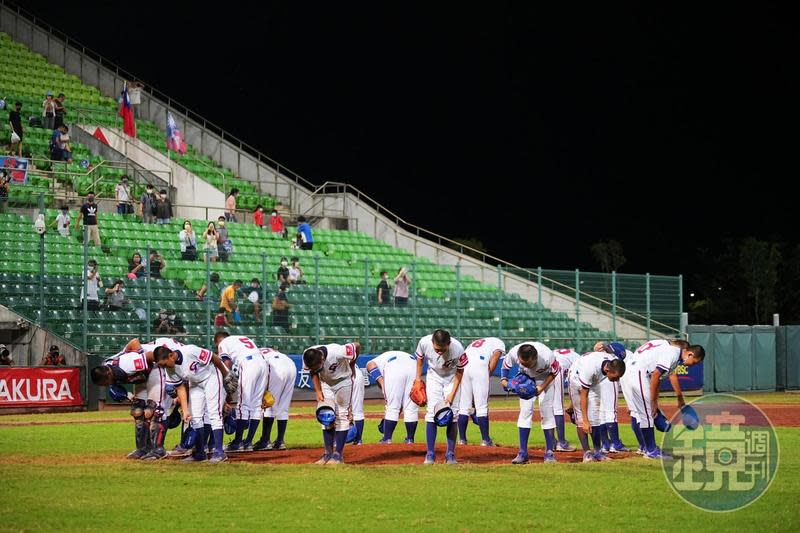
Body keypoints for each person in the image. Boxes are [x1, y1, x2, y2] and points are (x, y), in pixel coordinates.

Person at [619, 339, 705, 459]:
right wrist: (653, 402)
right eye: (694, 362)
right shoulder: (673, 353)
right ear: (690, 354)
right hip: (638, 372)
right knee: (648, 413)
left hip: (630, 371)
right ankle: (651, 450)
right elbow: (655, 376)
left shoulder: (666, 348)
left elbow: (657, 378)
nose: (692, 365)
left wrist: (656, 400)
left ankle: (646, 447)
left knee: (640, 413)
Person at [154, 343, 231, 464]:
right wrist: (185, 410)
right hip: (195, 383)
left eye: (164, 364)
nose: (164, 367)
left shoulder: (189, 351)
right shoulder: (169, 368)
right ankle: (200, 453)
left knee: (214, 413)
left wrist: (226, 375)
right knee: (195, 418)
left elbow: (213, 357)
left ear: (170, 355)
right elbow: (180, 388)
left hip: (211, 377)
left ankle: (219, 452)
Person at [302, 341, 362, 464]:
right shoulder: (308, 355)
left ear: (322, 358)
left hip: (343, 381)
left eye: (317, 366)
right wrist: (318, 391)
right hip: (326, 383)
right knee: (326, 415)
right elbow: (313, 372)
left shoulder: (338, 351)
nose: (314, 368)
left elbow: (356, 345)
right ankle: (327, 453)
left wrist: (352, 365)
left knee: (341, 415)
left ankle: (338, 454)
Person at [501, 341, 560, 464]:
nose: (525, 365)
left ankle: (549, 452)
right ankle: (523, 453)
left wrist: (542, 387)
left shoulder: (547, 356)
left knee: (547, 411)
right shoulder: (514, 352)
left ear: (535, 358)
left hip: (545, 377)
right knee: (525, 412)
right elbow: (505, 366)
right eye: (523, 363)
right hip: (525, 377)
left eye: (528, 363)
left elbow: (555, 371)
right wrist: (504, 381)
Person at [414, 330, 466, 465]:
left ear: (449, 343)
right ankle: (430, 454)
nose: (439, 352)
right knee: (431, 413)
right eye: (437, 349)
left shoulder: (458, 348)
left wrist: (452, 394)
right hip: (434, 377)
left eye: (443, 349)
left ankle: (450, 454)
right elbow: (420, 359)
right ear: (432, 342)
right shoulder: (424, 342)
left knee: (453, 414)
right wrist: (418, 379)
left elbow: (460, 371)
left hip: (452, 377)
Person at [566, 349, 626, 463]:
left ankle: (598, 452)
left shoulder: (610, 363)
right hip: (576, 377)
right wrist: (585, 420)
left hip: (594, 380)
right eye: (615, 376)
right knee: (581, 419)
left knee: (595, 417)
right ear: (607, 369)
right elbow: (584, 395)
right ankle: (587, 453)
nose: (616, 380)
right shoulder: (590, 368)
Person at [215, 332, 268, 452]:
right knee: (255, 406)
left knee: (243, 405)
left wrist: (225, 381)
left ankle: (237, 443)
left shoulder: (222, 343)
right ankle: (248, 442)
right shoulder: (242, 338)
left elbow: (226, 363)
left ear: (217, 341)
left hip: (248, 364)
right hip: (263, 364)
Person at [457, 337, 505, 446]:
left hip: (463, 364)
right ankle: (485, 440)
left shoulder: (474, 343)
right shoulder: (498, 342)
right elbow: (496, 357)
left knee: (464, 406)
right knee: (481, 406)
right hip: (479, 364)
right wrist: (486, 376)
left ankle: (462, 440)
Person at [366, 350, 420, 444]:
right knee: (411, 407)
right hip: (413, 365)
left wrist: (382, 382)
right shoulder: (386, 356)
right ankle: (410, 439)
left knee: (392, 407)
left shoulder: (376, 361)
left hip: (394, 365)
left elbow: (370, 365)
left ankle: (386, 439)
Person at [253, 347, 297, 451]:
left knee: (269, 405)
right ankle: (280, 441)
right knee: (283, 406)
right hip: (289, 363)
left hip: (274, 366)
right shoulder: (261, 349)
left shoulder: (251, 354)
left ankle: (265, 441)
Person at [593, 342, 632, 454]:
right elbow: (620, 353)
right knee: (610, 411)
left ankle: (606, 444)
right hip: (609, 378)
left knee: (602, 412)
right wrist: (605, 345)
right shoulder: (613, 356)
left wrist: (603, 346)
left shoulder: (601, 355)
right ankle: (616, 444)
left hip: (601, 378)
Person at [551, 347, 582, 452]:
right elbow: (578, 388)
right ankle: (562, 443)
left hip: (544, 366)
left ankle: (551, 441)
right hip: (556, 367)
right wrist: (571, 407)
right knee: (558, 407)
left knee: (547, 406)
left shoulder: (573, 357)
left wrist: (570, 407)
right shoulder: (580, 360)